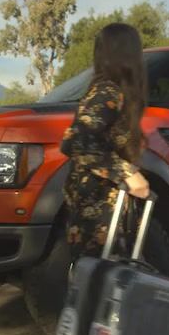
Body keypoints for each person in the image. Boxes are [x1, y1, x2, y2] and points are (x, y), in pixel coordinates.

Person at [60, 22, 151, 260]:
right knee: (98, 273)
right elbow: (76, 141)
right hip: (96, 204)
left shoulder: (109, 91)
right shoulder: (108, 92)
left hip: (103, 201)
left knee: (102, 272)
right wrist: (127, 173)